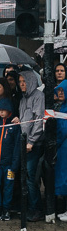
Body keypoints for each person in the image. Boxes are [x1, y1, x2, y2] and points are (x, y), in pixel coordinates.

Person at [12, 71, 45, 222]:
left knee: (31, 177)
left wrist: (31, 141)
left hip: (33, 144)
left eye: (24, 81)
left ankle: (36, 209)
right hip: (23, 141)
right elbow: (26, 119)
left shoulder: (38, 96)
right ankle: (29, 206)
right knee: (25, 176)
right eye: (20, 81)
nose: (21, 84)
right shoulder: (22, 99)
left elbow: (38, 120)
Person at [53, 80, 67, 221]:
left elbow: (63, 129)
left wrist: (55, 143)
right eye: (59, 91)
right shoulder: (62, 106)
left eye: (63, 91)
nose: (60, 93)